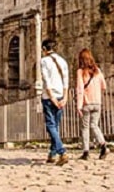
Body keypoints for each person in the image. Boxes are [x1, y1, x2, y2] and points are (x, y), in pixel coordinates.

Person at [40, 38, 69, 166]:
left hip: (49, 97)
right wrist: (65, 97)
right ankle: (52, 154)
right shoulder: (62, 61)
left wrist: (51, 97)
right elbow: (66, 80)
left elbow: (46, 80)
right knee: (55, 126)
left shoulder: (44, 61)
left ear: (44, 49)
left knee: (51, 125)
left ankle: (62, 151)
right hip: (61, 96)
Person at [76, 49, 109, 160]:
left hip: (87, 102)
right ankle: (103, 144)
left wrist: (79, 105)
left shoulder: (80, 72)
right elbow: (104, 86)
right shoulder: (97, 71)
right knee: (94, 125)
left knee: (85, 127)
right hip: (97, 102)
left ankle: (86, 151)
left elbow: (80, 89)